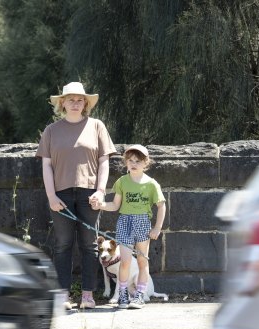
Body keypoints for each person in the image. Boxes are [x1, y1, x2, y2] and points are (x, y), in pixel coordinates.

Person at [36, 82, 117, 310]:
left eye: (79, 99)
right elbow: (46, 166)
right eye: (70, 99)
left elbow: (104, 162)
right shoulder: (51, 131)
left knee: (90, 245)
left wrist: (101, 192)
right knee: (62, 244)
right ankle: (63, 296)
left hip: (89, 193)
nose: (75, 103)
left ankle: (88, 295)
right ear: (62, 103)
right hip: (60, 193)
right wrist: (51, 195)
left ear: (86, 103)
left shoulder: (97, 126)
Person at [90, 145, 166, 309]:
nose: (133, 163)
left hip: (143, 223)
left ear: (146, 163)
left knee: (142, 262)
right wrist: (100, 205)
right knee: (124, 262)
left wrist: (157, 228)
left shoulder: (152, 184)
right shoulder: (122, 182)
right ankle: (123, 295)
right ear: (126, 162)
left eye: (138, 161)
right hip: (125, 222)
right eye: (130, 160)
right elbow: (115, 205)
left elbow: (161, 206)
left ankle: (139, 295)